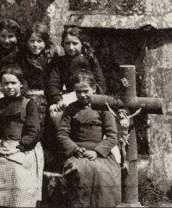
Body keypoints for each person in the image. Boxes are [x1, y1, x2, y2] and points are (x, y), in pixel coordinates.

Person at [0, 66, 43, 208]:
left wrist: (19, 147)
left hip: (22, 147)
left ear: (21, 84)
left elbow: (33, 131)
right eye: (6, 83)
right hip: (1, 144)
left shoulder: (29, 104)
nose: (9, 87)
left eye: (13, 83)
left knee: (15, 167)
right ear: (0, 86)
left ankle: (17, 203)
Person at [57, 72, 120, 208]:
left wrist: (97, 152)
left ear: (94, 89)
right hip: (77, 152)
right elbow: (62, 134)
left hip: (100, 153)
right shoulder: (70, 109)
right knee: (79, 171)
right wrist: (75, 149)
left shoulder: (104, 108)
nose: (82, 95)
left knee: (102, 173)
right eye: (78, 92)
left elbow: (112, 135)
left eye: (86, 91)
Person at [47, 26, 106, 115]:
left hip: (89, 96)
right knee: (54, 111)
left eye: (75, 43)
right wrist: (58, 99)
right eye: (67, 43)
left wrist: (92, 96)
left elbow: (100, 83)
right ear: (63, 44)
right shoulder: (60, 62)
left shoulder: (90, 59)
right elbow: (53, 84)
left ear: (82, 44)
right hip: (71, 96)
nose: (71, 47)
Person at [20, 23, 55, 138]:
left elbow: (54, 79)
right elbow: (22, 77)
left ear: (45, 42)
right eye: (32, 41)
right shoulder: (22, 57)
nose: (35, 45)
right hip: (28, 94)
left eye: (39, 41)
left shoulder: (51, 58)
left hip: (47, 94)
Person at [0, 19, 22, 84]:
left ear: (17, 37)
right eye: (3, 36)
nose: (6, 41)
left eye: (10, 36)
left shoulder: (22, 53)